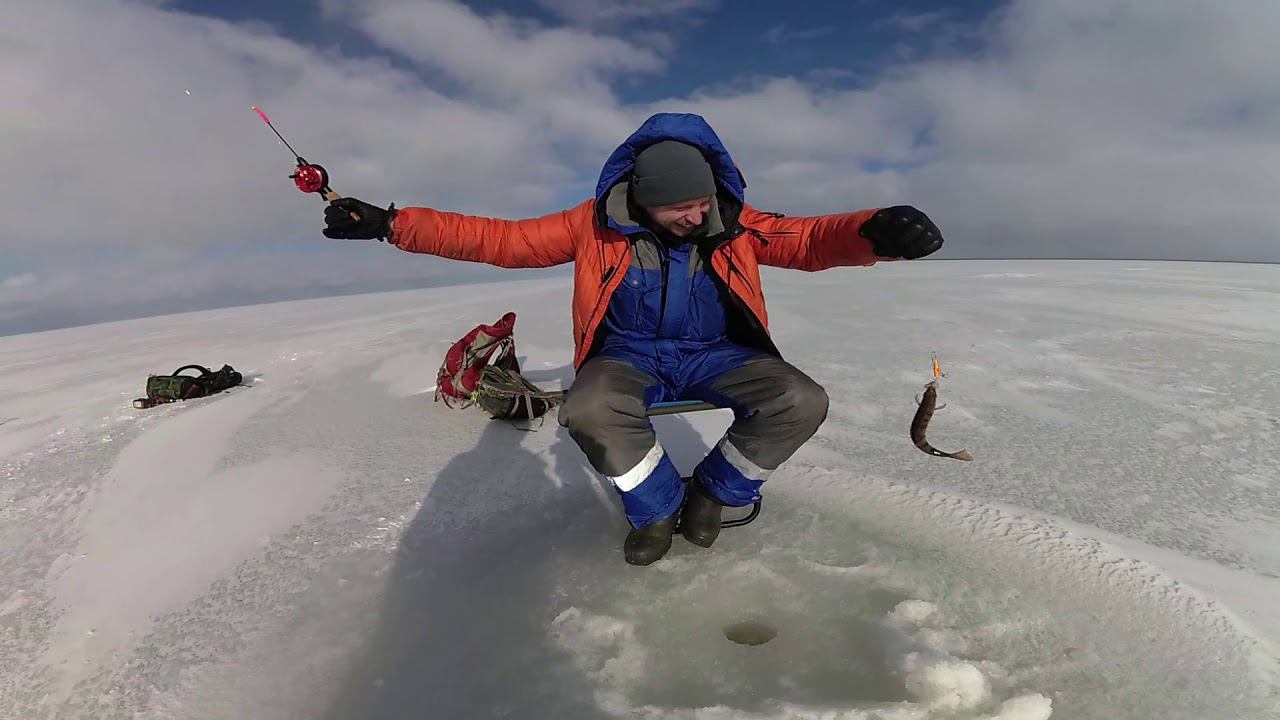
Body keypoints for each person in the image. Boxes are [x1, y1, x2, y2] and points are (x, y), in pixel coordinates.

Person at [322, 113, 944, 566]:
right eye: (680, 208)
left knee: (800, 398)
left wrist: (876, 233)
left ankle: (714, 494)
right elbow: (502, 240)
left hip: (715, 354)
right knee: (589, 408)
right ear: (643, 201)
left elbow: (808, 240)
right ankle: (655, 508)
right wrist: (391, 224)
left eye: (702, 202)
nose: (696, 217)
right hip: (627, 356)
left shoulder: (734, 224)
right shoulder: (591, 226)